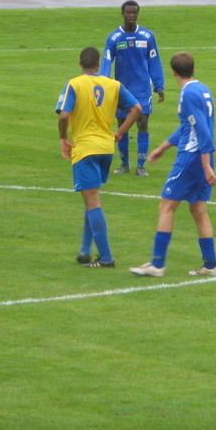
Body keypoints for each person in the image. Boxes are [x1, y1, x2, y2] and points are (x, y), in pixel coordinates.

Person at [130, 51, 216, 278]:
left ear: (173, 72)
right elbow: (187, 127)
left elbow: (202, 130)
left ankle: (157, 264)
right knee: (198, 209)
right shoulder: (203, 89)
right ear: (194, 69)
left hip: (192, 158)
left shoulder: (187, 94)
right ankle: (211, 265)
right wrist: (163, 147)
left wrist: (206, 165)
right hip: (201, 157)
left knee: (166, 207)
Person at [56, 47, 141, 268]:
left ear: (79, 64)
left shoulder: (74, 84)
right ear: (99, 65)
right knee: (91, 196)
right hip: (106, 148)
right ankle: (85, 249)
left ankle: (106, 258)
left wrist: (63, 137)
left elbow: (64, 114)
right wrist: (120, 133)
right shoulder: (114, 85)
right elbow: (137, 108)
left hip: (85, 149)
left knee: (92, 201)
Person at [100, 0, 165, 177]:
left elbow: (154, 60)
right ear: (122, 14)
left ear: (137, 14)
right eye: (128, 13)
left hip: (143, 89)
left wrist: (159, 85)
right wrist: (103, 83)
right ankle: (124, 164)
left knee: (142, 124)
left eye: (134, 13)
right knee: (122, 125)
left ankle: (141, 166)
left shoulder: (147, 36)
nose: (131, 16)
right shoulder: (114, 38)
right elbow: (106, 61)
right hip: (121, 90)